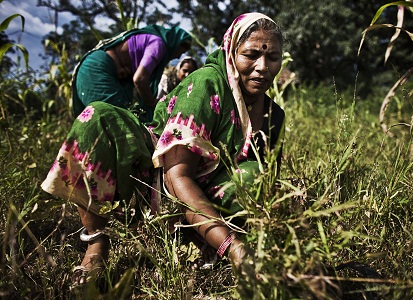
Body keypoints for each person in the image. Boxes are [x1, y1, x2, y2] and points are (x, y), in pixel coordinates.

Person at [41, 12, 285, 287]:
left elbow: (267, 185)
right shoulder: (207, 84)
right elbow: (175, 176)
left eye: (272, 58)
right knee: (96, 118)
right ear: (231, 51)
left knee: (256, 177)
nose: (262, 66)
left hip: (206, 188)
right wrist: (233, 248)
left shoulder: (273, 116)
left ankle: (197, 240)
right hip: (157, 179)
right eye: (251, 54)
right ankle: (96, 244)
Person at [72, 25, 192, 122]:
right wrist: (152, 103)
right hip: (97, 68)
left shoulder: (152, 40)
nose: (178, 56)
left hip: (103, 67)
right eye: (181, 52)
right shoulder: (158, 45)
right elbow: (140, 79)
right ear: (175, 44)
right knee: (117, 120)